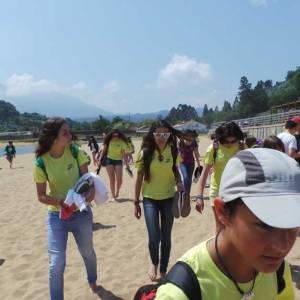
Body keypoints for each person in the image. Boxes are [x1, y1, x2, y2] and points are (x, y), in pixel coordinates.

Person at [156, 148, 298, 300]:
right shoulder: (181, 293)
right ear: (223, 212)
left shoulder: (279, 270)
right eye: (265, 225)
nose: (282, 246)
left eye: (293, 222)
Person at [33, 117, 98, 300]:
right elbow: (41, 196)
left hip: (81, 214)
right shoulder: (41, 163)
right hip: (57, 216)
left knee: (87, 252)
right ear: (54, 138)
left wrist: (90, 193)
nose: (70, 135)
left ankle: (92, 279)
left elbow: (88, 182)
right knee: (56, 263)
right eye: (65, 133)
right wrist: (61, 203)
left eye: (69, 131)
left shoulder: (76, 152)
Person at [134, 119, 185, 281]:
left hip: (169, 198)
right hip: (150, 199)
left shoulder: (174, 151)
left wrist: (179, 181)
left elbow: (176, 170)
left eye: (165, 134)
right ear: (153, 135)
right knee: (154, 237)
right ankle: (154, 262)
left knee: (166, 237)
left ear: (169, 135)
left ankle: (163, 269)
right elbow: (139, 178)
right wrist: (136, 202)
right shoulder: (146, 153)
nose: (162, 137)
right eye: (158, 134)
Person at [195, 121, 244, 231]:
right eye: (226, 141)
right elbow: (204, 174)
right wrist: (199, 197)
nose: (230, 144)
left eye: (233, 141)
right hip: (218, 192)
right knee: (221, 227)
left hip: (237, 192)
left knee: (236, 226)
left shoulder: (241, 147)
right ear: (221, 138)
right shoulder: (213, 149)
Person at [98, 129, 129, 202]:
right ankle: (113, 196)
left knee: (119, 179)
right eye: (114, 135)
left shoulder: (121, 142)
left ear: (119, 135)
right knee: (112, 179)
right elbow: (104, 150)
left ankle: (117, 191)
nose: (115, 136)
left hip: (118, 161)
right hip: (109, 160)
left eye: (117, 135)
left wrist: (126, 163)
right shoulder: (108, 141)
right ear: (111, 135)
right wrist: (100, 159)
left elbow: (124, 153)